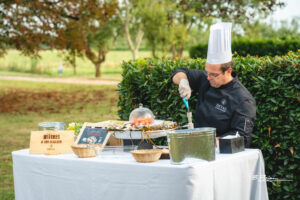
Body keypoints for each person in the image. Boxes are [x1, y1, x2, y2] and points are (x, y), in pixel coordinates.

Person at [172, 22, 256, 147]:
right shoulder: (205, 79)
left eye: (214, 75)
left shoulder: (243, 100)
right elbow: (179, 72)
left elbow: (241, 138)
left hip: (222, 155)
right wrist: (183, 82)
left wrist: (205, 142)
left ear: (228, 71)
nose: (208, 77)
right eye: (207, 72)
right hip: (197, 148)